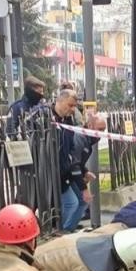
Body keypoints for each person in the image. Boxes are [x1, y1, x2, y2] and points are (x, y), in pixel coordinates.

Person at [54, 90, 97, 232]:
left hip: (65, 172)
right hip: (54, 173)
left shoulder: (68, 121)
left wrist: (84, 171)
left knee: (81, 202)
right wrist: (83, 187)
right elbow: (74, 162)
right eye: (70, 105)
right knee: (71, 203)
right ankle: (60, 231)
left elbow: (72, 153)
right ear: (60, 101)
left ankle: (67, 230)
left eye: (75, 106)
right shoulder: (49, 119)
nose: (73, 110)